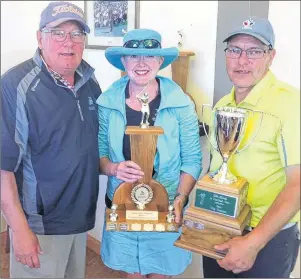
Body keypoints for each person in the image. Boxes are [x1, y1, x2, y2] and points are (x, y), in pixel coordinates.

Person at [1, 2, 101, 278]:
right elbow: (3, 168)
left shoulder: (90, 82)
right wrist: (20, 230)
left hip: (80, 218)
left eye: (77, 34)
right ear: (40, 38)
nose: (68, 42)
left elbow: (91, 148)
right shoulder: (15, 86)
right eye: (58, 32)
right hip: (40, 226)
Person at [96, 28, 202, 278]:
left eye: (149, 56)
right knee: (130, 273)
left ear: (160, 61)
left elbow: (192, 161)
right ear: (123, 61)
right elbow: (99, 156)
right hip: (121, 206)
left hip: (167, 206)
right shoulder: (107, 102)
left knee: (160, 273)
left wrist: (180, 198)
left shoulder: (181, 103)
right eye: (133, 56)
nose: (141, 63)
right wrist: (113, 168)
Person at [203, 16, 300, 278]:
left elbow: (298, 184)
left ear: (271, 56)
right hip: (220, 229)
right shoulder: (223, 104)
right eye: (235, 50)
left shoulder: (291, 104)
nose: (242, 60)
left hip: (266, 239)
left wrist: (253, 242)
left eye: (254, 51)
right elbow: (215, 169)